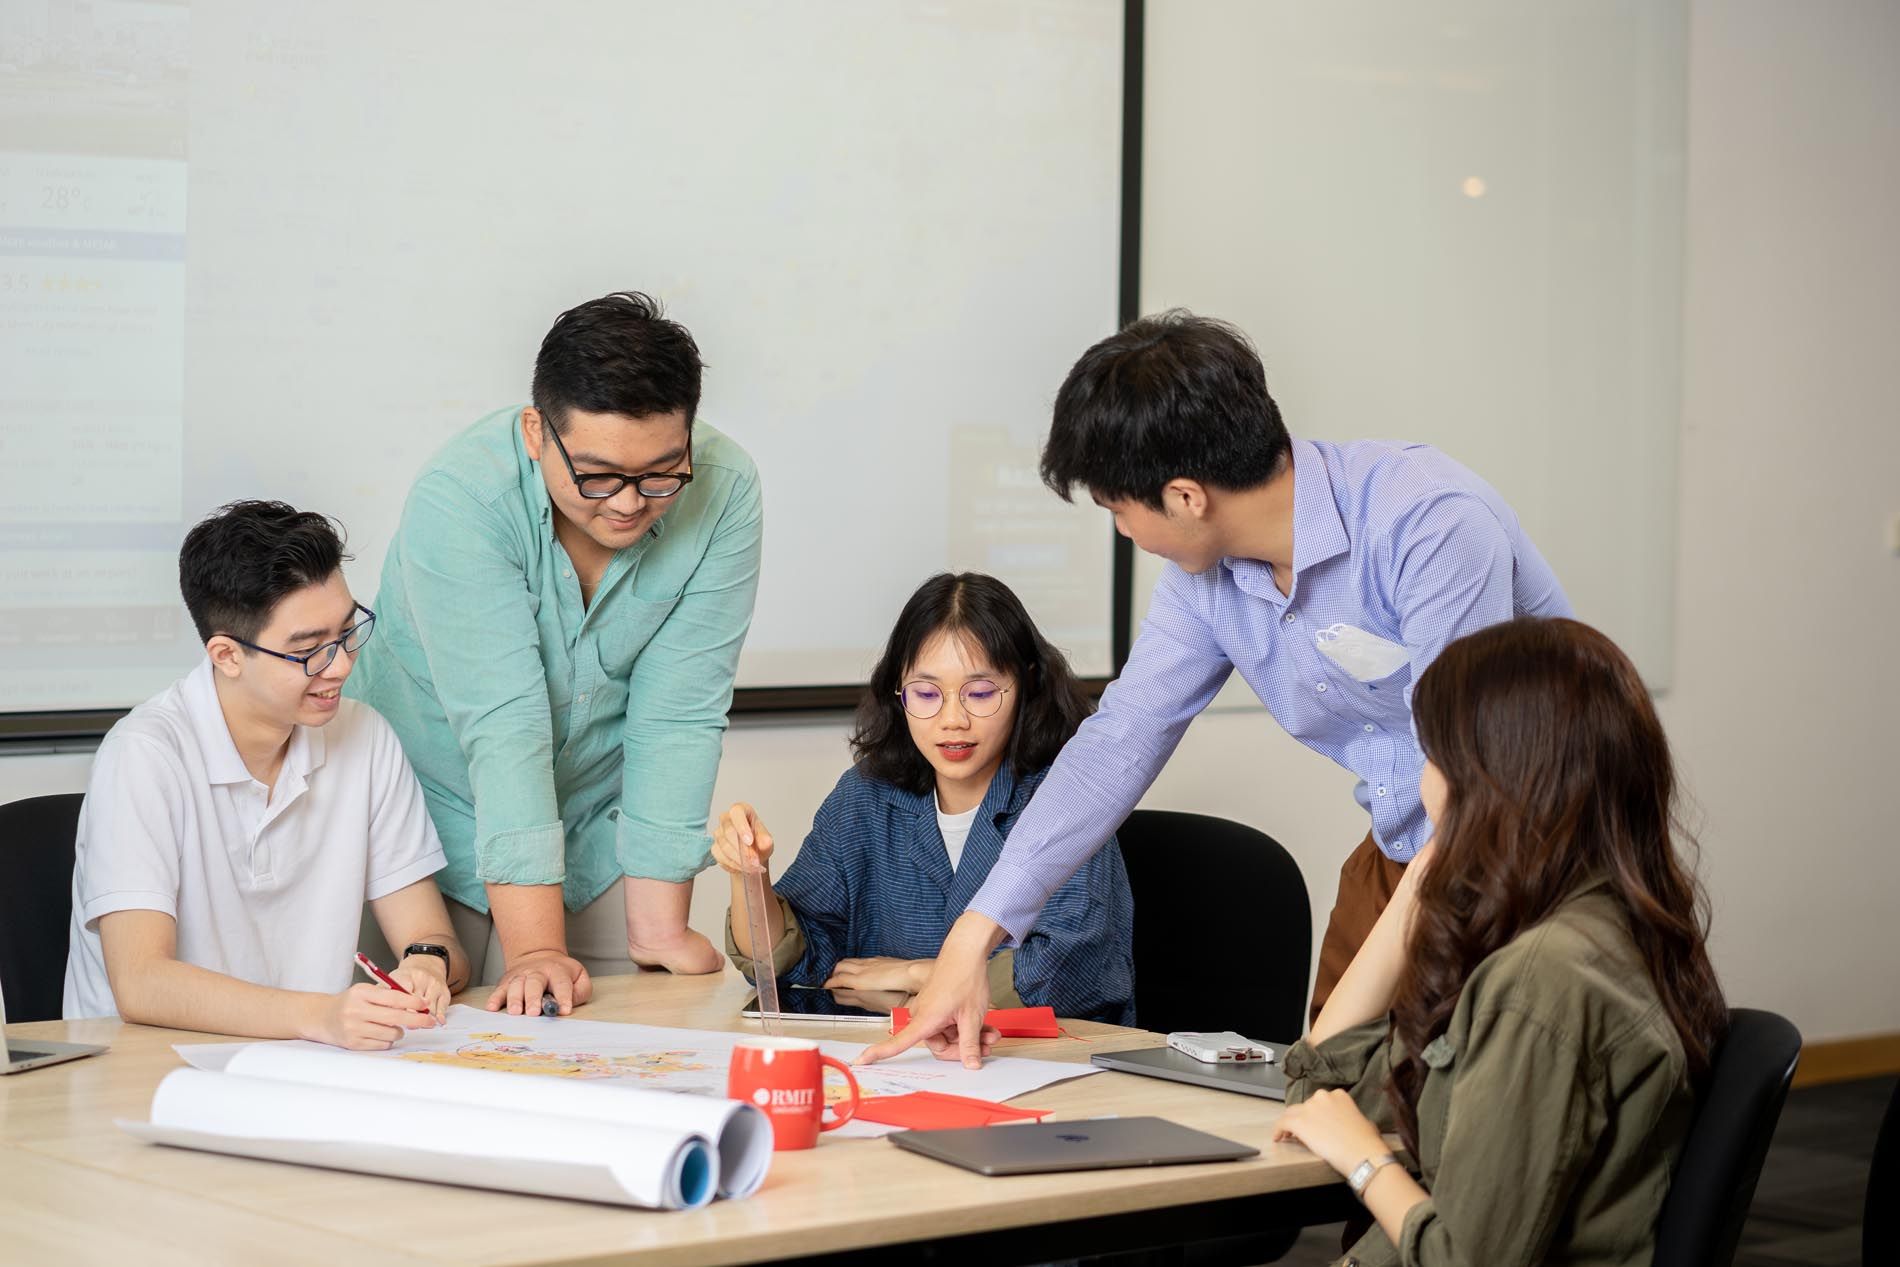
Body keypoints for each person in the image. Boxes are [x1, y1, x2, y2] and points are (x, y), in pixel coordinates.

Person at [866, 310, 1571, 1068]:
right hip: (1401, 848)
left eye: (1116, 510)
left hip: (1531, 855)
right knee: (1328, 1113)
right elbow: (1117, 742)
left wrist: (1335, 1045)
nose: (1124, 532)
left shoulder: (1426, 526)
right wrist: (973, 938)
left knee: (1416, 1108)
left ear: (1186, 497)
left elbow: (1468, 791)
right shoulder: (1205, 582)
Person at [348, 291, 762, 1016]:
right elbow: (505, 728)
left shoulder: (725, 491)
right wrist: (536, 950)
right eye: (598, 476)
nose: (630, 503)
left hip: (590, 832)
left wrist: (658, 925)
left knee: (643, 1036)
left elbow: (679, 715)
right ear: (536, 431)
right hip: (425, 830)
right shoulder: (462, 500)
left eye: (662, 472)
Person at [1271, 617, 1727, 1264]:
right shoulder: (1598, 923)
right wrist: (1422, 879)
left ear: (1492, 779)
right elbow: (1318, 1087)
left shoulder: (1542, 978)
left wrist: (1365, 1160)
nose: (1420, 781)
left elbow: (1466, 1258)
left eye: (1432, 754)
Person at [63, 501, 470, 1047]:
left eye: (349, 632)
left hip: (301, 1069)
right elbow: (141, 983)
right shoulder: (143, 756)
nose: (343, 665)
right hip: (148, 1070)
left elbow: (434, 936)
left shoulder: (365, 736)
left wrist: (428, 964)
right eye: (309, 651)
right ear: (227, 655)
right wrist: (320, 1016)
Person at [712, 574, 1135, 1024]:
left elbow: (1071, 973)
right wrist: (748, 878)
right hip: (903, 1066)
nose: (952, 720)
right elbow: (788, 961)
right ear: (898, 693)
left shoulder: (1068, 796)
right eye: (927, 694)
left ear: (1026, 685)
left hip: (1053, 1066)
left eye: (980, 693)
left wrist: (915, 979)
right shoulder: (865, 796)